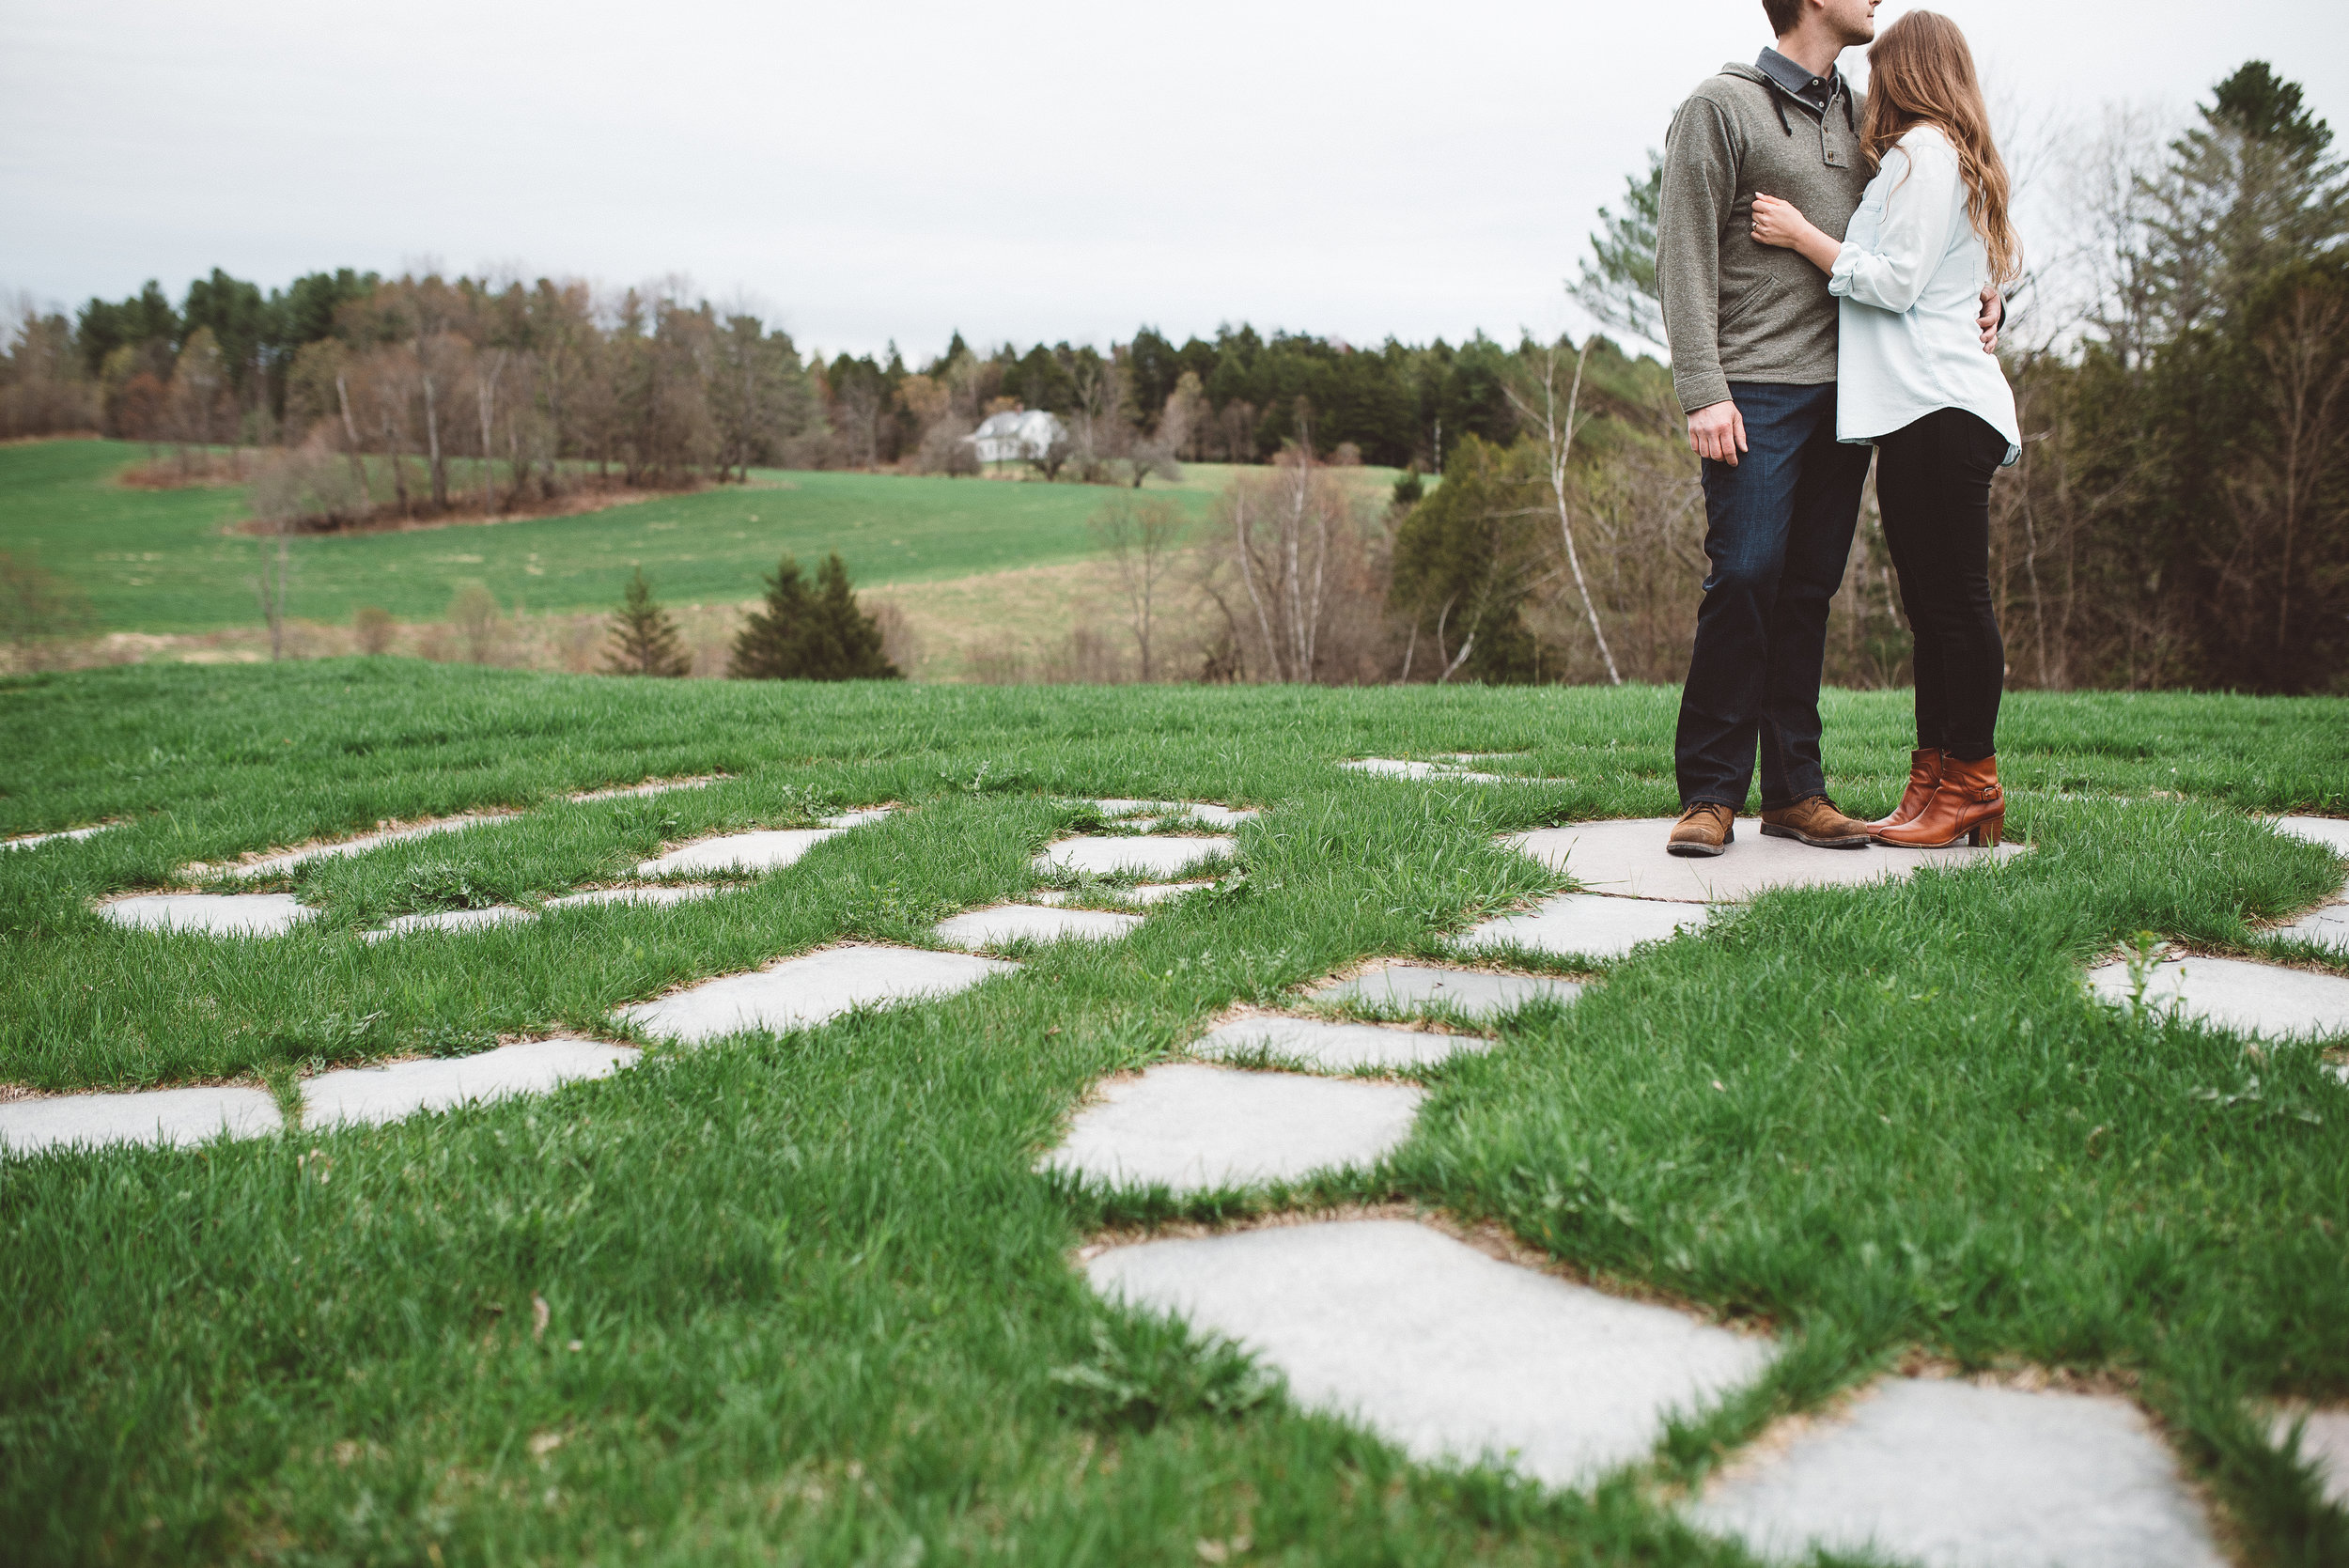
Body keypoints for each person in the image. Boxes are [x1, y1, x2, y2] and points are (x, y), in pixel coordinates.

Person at [1656, 0, 2000, 859]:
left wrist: (1990, 290)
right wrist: (1704, 387)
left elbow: (1929, 224)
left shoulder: (1868, 120)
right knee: (1744, 573)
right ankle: (1709, 792)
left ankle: (1796, 791)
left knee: (1809, 589)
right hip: (1755, 389)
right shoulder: (1719, 107)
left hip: (1851, 400)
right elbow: (1682, 250)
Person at [1749, 8, 2020, 848]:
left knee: (1954, 605)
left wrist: (1803, 236)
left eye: (1883, 72)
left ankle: (1970, 780)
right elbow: (1946, 269)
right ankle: (1934, 778)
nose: (1869, 91)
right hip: (1918, 411)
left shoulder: (1924, 153)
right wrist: (1990, 294)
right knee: (1932, 607)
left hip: (1937, 406)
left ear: (1905, 74)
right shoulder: (1939, 156)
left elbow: (1897, 280)